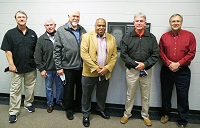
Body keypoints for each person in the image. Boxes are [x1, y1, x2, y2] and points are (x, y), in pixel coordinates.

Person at [120, 12, 159, 126]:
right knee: (130, 94)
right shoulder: (127, 37)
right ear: (133, 23)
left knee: (146, 94)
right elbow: (123, 54)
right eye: (137, 21)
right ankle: (127, 114)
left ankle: (145, 115)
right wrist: (135, 64)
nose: (139, 23)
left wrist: (145, 64)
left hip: (146, 70)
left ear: (145, 23)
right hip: (132, 70)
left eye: (141, 21)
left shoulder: (151, 38)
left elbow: (155, 54)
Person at [159, 14, 196, 128]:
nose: (175, 23)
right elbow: (160, 52)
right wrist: (169, 64)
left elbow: (192, 53)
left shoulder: (189, 36)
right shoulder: (164, 36)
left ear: (181, 23)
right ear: (170, 23)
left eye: (178, 21)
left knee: (183, 96)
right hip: (167, 70)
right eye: (173, 21)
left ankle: (182, 120)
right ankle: (166, 114)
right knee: (166, 94)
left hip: (183, 71)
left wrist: (178, 64)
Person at [1, 10, 37, 123]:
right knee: (15, 90)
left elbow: (36, 51)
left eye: (23, 17)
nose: (21, 19)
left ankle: (28, 103)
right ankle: (13, 111)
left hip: (30, 67)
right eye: (19, 17)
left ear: (26, 19)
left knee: (30, 87)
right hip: (16, 68)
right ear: (16, 19)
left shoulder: (32, 33)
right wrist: (11, 64)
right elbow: (7, 50)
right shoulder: (10, 33)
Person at [81, 18, 117, 127]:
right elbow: (84, 55)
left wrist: (107, 68)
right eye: (99, 25)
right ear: (95, 26)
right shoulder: (87, 37)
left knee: (102, 93)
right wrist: (97, 68)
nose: (101, 27)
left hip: (105, 73)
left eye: (103, 25)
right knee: (86, 95)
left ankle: (100, 109)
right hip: (89, 72)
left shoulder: (112, 38)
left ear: (105, 27)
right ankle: (86, 114)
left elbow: (114, 56)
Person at [54, 9, 86, 120]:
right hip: (67, 66)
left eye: (77, 16)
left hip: (81, 67)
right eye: (73, 16)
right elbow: (56, 50)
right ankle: (69, 109)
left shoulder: (82, 30)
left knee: (80, 89)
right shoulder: (61, 30)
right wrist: (58, 67)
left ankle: (78, 106)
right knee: (68, 90)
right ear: (69, 17)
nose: (75, 18)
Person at [34, 19, 64, 113]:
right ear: (45, 27)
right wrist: (41, 69)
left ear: (55, 25)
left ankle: (59, 101)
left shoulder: (60, 37)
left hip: (59, 69)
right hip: (48, 70)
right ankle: (50, 104)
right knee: (48, 87)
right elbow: (37, 55)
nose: (50, 27)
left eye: (51, 25)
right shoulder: (41, 39)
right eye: (47, 25)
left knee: (60, 87)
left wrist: (63, 67)